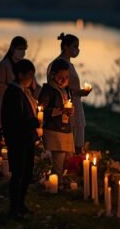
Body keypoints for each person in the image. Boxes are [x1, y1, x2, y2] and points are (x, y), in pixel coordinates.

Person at [1, 59, 41, 218]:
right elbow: (15, 119)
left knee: (27, 173)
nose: (32, 79)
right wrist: (34, 121)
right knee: (18, 174)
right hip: (18, 140)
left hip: (28, 138)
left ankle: (21, 204)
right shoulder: (13, 93)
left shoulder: (23, 91)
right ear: (20, 74)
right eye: (30, 75)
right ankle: (14, 209)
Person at [50, 33, 90, 154]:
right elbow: (57, 89)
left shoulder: (68, 63)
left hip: (75, 105)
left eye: (78, 47)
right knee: (71, 144)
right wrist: (79, 92)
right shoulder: (59, 64)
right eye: (75, 46)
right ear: (66, 47)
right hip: (68, 107)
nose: (77, 50)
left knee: (78, 142)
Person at [0, 36, 32, 135]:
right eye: (20, 49)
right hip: (6, 95)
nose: (22, 52)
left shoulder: (25, 64)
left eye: (24, 49)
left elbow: (32, 82)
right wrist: (11, 95)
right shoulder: (4, 64)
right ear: (13, 49)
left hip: (24, 95)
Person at [38, 58, 74, 187]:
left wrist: (70, 111)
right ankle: (55, 184)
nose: (64, 80)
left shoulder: (66, 90)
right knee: (58, 160)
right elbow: (42, 110)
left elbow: (68, 105)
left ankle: (62, 181)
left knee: (68, 159)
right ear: (52, 75)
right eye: (60, 77)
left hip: (66, 128)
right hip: (54, 129)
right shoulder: (48, 90)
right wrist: (60, 110)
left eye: (67, 77)